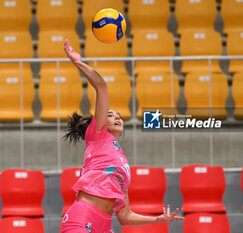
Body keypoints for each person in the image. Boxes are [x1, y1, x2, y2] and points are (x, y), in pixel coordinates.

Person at [60, 39, 184, 233]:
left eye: (119, 116)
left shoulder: (123, 163)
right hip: (83, 217)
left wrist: (158, 219)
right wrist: (78, 62)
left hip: (105, 224)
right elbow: (101, 87)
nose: (117, 117)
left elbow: (125, 216)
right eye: (110, 114)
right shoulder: (97, 136)